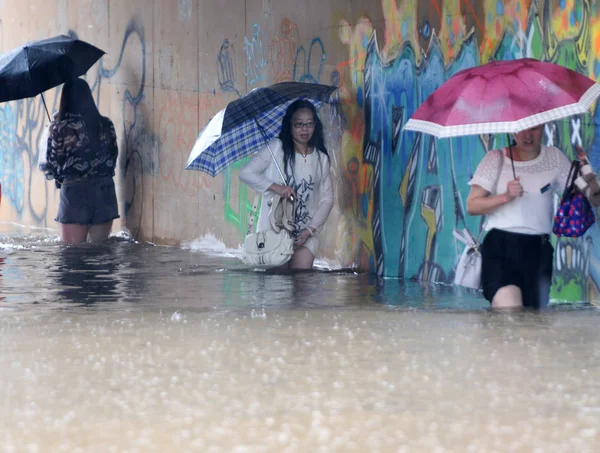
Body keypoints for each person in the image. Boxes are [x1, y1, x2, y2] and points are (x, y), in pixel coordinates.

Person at [466, 125, 598, 309]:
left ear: (543, 127)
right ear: (512, 130)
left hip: (539, 249)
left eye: (534, 129)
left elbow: (592, 199)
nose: (527, 135)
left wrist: (590, 179)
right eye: (521, 129)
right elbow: (472, 206)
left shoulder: (554, 157)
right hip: (500, 247)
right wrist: (505, 196)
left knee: (532, 321)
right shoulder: (495, 159)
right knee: (509, 309)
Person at [239, 99, 334, 269]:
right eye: (299, 124)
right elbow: (246, 173)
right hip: (274, 231)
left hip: (306, 233)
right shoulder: (275, 148)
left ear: (315, 126)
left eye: (309, 124)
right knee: (278, 286)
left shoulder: (321, 158)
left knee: (303, 284)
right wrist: (277, 188)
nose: (305, 129)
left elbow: (327, 199)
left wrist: (310, 230)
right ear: (289, 125)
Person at [44, 78, 119, 244]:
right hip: (104, 191)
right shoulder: (106, 124)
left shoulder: (60, 128)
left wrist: (51, 133)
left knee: (73, 255)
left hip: (74, 192)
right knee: (100, 253)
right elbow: (113, 156)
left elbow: (52, 164)